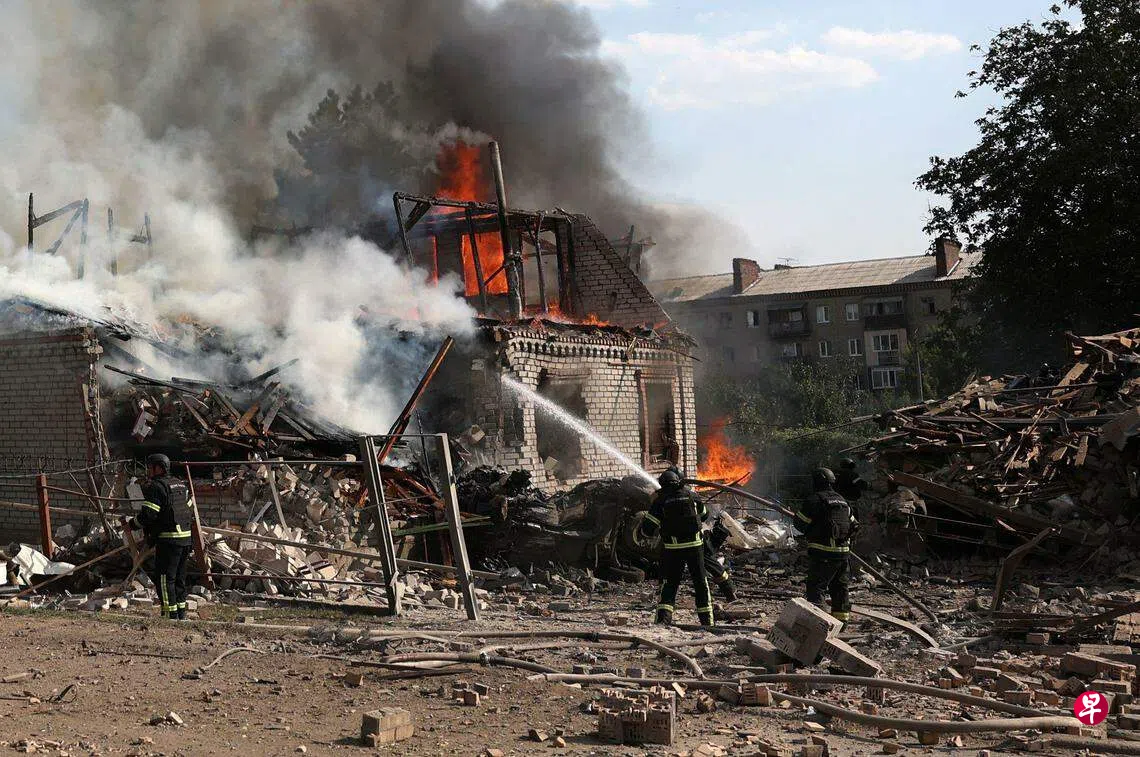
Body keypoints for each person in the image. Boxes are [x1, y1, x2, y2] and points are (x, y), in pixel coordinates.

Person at [638, 467, 714, 626]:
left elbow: (647, 530)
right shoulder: (692, 495)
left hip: (673, 549)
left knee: (669, 584)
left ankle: (663, 620)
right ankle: (707, 622)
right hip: (695, 547)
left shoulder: (660, 501)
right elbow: (705, 515)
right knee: (701, 583)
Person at [128, 454, 193, 620]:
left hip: (169, 540)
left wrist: (132, 524)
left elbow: (149, 514)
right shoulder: (180, 484)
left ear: (159, 468)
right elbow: (188, 509)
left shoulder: (157, 487)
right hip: (185, 539)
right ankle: (180, 614)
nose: (148, 471)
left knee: (165, 580)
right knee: (179, 579)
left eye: (150, 467)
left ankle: (170, 616)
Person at [793, 468, 856, 624]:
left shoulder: (814, 500)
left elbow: (800, 524)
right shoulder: (843, 501)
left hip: (823, 552)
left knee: (816, 587)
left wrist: (812, 528)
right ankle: (842, 622)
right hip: (843, 553)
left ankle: (818, 623)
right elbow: (854, 524)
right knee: (840, 588)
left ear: (816, 481)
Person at [702, 515, 738, 602]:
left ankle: (729, 592)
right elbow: (704, 514)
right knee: (711, 567)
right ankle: (729, 592)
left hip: (687, 541)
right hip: (697, 542)